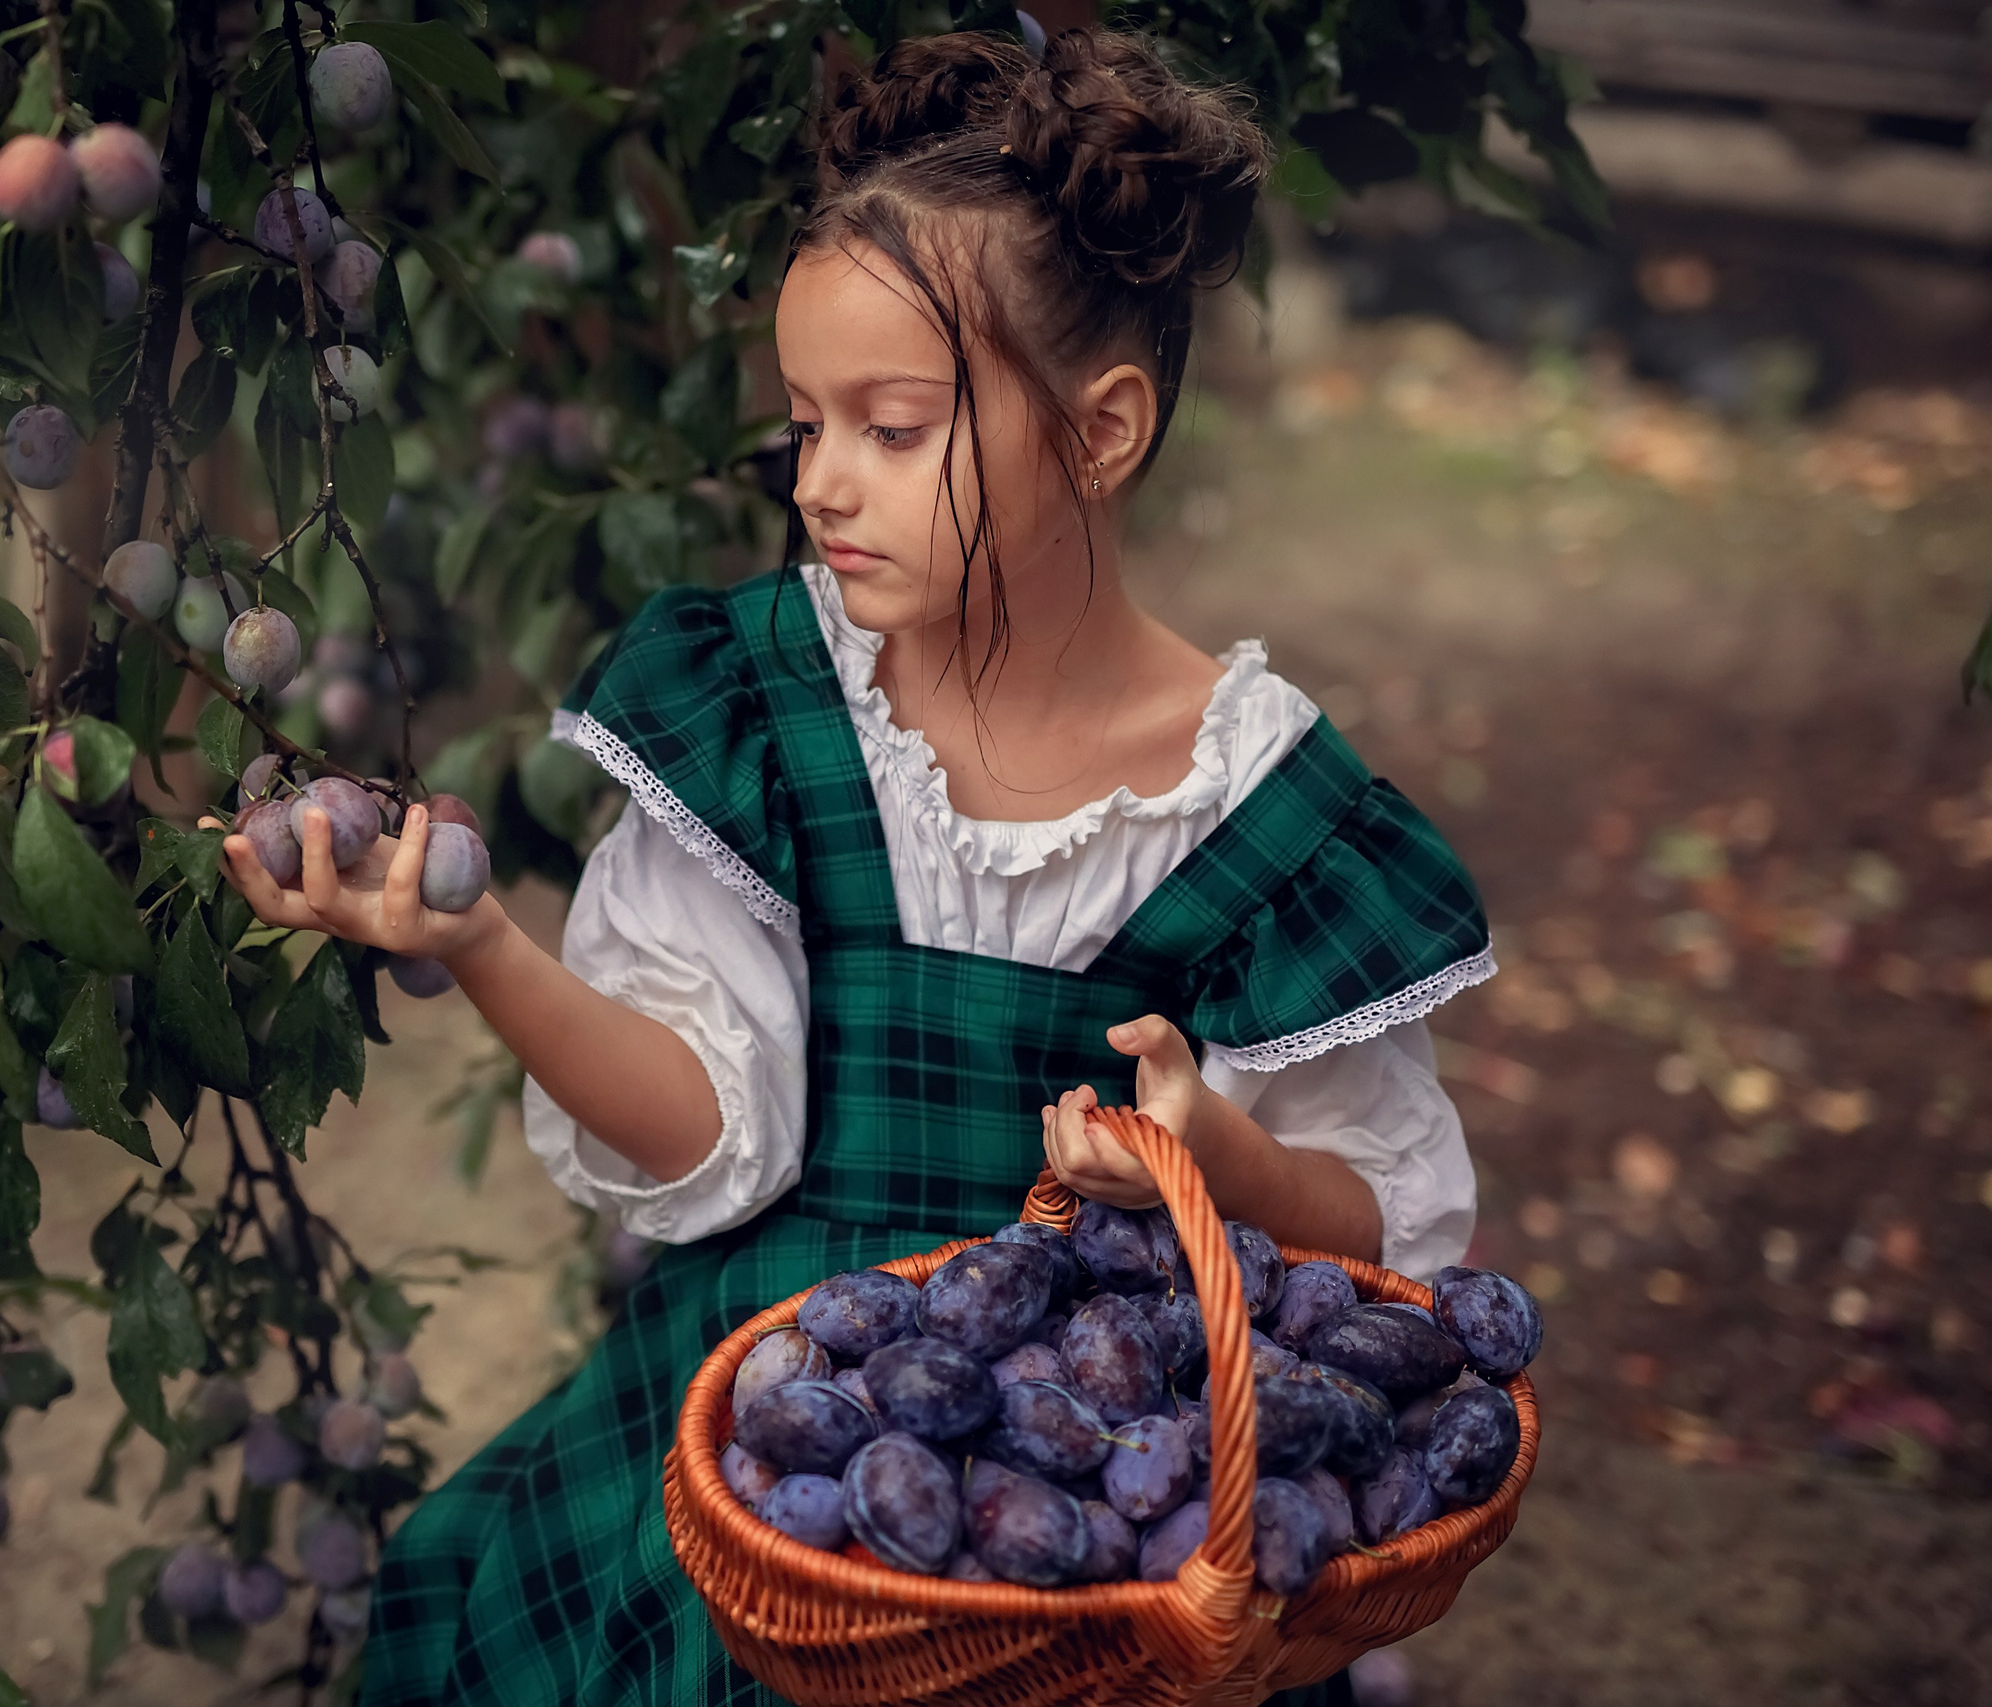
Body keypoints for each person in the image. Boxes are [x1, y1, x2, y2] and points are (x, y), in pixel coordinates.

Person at [216, 26, 1491, 1707]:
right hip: (779, 1443)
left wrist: (1226, 1160)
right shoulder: (764, 707)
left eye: (892, 428)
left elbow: (1391, 1242)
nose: (822, 481)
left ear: (1100, 431)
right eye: (806, 422)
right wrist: (480, 949)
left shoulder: (1259, 809)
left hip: (1087, 1529)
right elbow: (705, 1135)